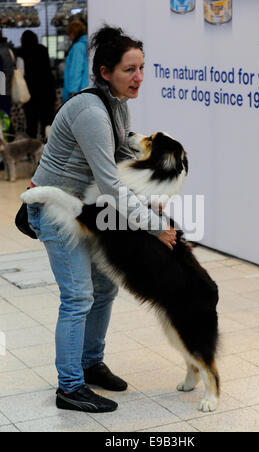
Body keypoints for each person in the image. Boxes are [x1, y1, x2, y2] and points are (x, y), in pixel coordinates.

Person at [26, 25, 177, 413]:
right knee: (78, 297)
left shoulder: (115, 103)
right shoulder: (92, 110)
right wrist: (155, 225)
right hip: (58, 210)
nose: (139, 77)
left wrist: (153, 197)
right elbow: (110, 183)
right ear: (105, 71)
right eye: (130, 69)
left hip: (87, 211)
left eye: (142, 67)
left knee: (105, 289)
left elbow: (126, 151)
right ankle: (69, 387)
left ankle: (91, 364)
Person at [17, 30, 55, 140]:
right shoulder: (43, 49)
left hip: (30, 92)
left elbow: (20, 73)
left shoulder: (21, 52)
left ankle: (32, 150)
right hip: (46, 90)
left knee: (31, 122)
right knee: (47, 121)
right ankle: (47, 148)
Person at [63, 21, 89, 102]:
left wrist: (73, 91)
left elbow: (76, 69)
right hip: (84, 88)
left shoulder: (78, 47)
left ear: (73, 33)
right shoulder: (86, 44)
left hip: (77, 92)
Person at [0, 30, 14, 116]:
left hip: (2, 91)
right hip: (5, 90)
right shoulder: (6, 50)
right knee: (5, 118)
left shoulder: (2, 51)